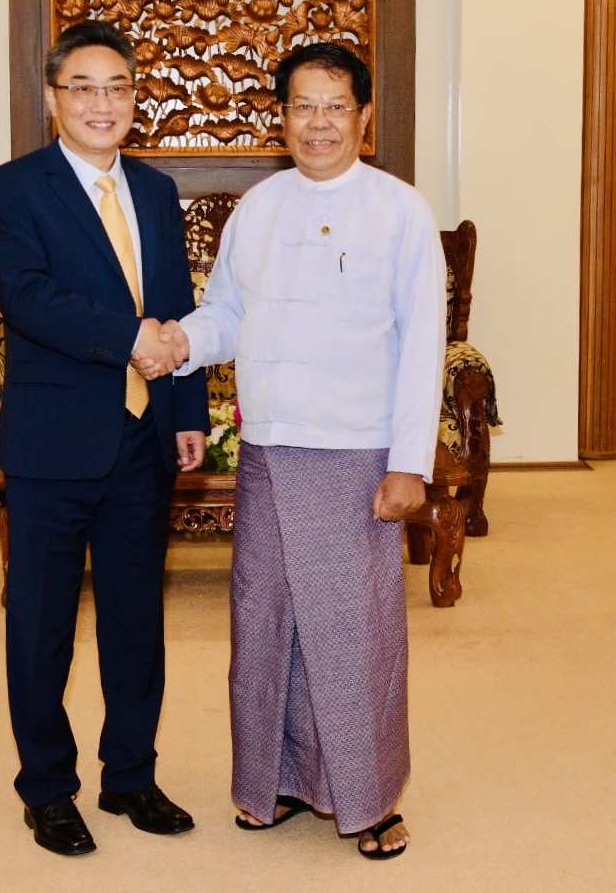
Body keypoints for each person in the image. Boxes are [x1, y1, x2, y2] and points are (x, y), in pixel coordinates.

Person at [142, 42, 444, 860]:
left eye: (335, 106)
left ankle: (370, 799)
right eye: (303, 106)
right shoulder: (261, 209)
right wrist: (175, 342)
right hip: (272, 452)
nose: (318, 123)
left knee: (354, 631)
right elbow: (227, 316)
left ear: (365, 119)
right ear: (282, 119)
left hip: (357, 453)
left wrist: (409, 463)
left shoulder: (401, 211)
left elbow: (423, 347)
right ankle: (272, 781)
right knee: (267, 623)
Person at [0, 20, 208, 857]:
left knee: (136, 621)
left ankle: (131, 777)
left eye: (117, 87)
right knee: (41, 626)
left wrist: (188, 414)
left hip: (144, 441)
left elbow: (176, 305)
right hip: (52, 445)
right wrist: (131, 342)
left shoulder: (154, 187)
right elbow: (31, 301)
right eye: (83, 87)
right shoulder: (10, 189)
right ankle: (47, 789)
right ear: (52, 99)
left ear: (135, 99)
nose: (101, 103)